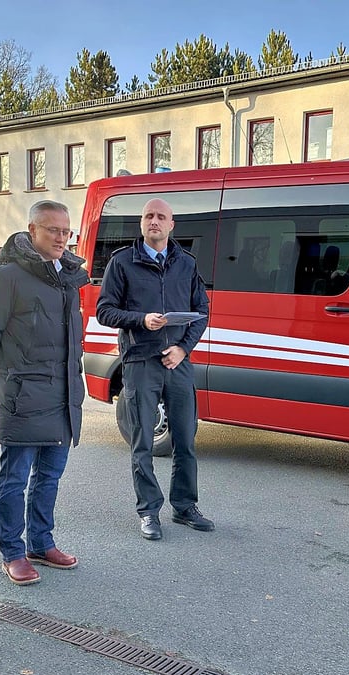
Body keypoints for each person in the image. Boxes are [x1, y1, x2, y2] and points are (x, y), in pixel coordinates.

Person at [0, 201, 88, 585]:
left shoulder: (69, 277)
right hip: (22, 396)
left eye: (66, 231)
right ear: (32, 230)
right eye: (52, 230)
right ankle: (12, 551)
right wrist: (1, 375)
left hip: (63, 396)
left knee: (49, 477)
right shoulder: (6, 277)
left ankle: (41, 541)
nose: (60, 238)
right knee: (15, 478)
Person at [96, 198, 212, 541]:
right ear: (141, 223)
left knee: (185, 440)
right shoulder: (122, 263)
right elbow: (105, 311)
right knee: (142, 441)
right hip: (139, 361)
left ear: (172, 224)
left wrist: (182, 348)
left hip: (177, 362)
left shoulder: (186, 264)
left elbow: (202, 310)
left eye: (161, 216)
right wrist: (140, 320)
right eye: (148, 216)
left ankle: (185, 506)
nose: (154, 221)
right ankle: (149, 510)